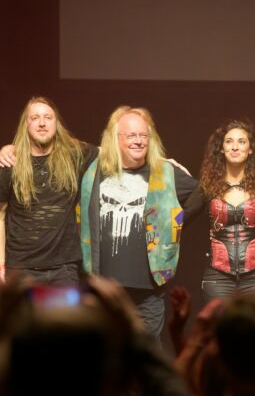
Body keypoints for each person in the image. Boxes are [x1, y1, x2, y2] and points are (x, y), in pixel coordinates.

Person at [80, 106, 197, 338]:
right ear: (116, 138)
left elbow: (205, 192)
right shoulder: (93, 170)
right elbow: (61, 148)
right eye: (131, 135)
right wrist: (12, 149)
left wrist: (175, 222)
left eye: (143, 135)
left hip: (148, 292)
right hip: (104, 288)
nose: (139, 141)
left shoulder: (165, 173)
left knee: (146, 354)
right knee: (107, 354)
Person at [0, 96, 98, 284]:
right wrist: (1, 263)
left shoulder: (74, 157)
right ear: (26, 124)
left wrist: (155, 158)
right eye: (35, 118)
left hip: (64, 270)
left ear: (56, 123)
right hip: (21, 269)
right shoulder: (10, 163)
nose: (42, 123)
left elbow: (112, 152)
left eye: (48, 117)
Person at [184, 119, 255, 303]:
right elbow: (181, 217)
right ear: (221, 148)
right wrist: (167, 170)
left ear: (251, 149)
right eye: (229, 141)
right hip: (217, 277)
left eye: (241, 141)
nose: (235, 147)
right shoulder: (208, 185)